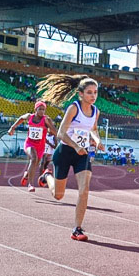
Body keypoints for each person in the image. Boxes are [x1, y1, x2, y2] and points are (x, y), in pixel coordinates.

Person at [36, 75, 106, 241]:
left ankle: (77, 229)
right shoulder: (74, 108)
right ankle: (46, 175)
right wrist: (76, 146)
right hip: (65, 152)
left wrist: (97, 141)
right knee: (58, 195)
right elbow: (60, 134)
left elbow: (93, 130)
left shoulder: (95, 111)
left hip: (82, 155)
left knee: (85, 190)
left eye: (95, 92)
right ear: (80, 94)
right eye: (89, 92)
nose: (93, 96)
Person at [8, 101, 56, 192]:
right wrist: (12, 127)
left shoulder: (46, 119)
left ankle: (26, 174)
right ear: (35, 109)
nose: (42, 111)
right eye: (40, 109)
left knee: (35, 164)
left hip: (40, 146)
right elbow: (21, 118)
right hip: (30, 143)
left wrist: (52, 131)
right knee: (33, 159)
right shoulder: (29, 116)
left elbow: (55, 131)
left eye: (43, 110)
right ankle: (30, 184)